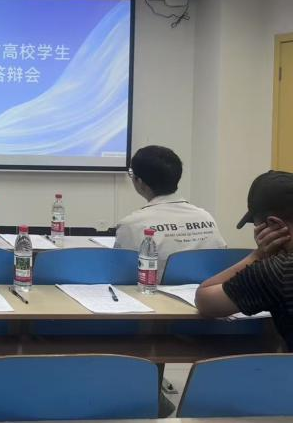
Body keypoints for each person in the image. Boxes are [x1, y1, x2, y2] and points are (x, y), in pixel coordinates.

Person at [196, 171, 293, 349]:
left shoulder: (278, 271)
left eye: (257, 226)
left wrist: (258, 255)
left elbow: (205, 300)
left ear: (275, 225)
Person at [116, 145, 226, 281]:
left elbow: (122, 275)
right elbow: (221, 259)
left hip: (151, 293)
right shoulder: (205, 217)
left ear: (139, 181)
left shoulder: (132, 225)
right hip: (205, 291)